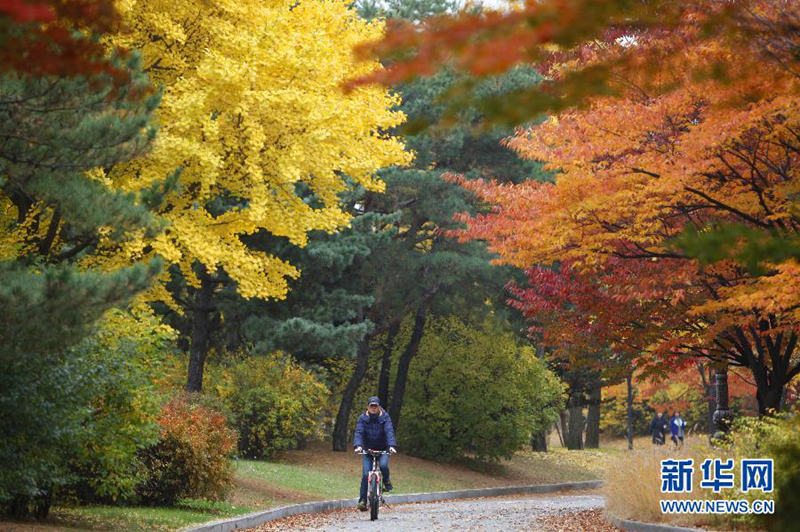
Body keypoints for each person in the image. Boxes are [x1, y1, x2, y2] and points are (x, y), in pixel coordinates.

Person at [353, 396, 397, 511]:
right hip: (368, 450)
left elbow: (389, 431)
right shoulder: (362, 418)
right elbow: (359, 432)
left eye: (375, 406)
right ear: (368, 407)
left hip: (383, 449)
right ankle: (362, 501)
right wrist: (358, 446)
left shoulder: (385, 417)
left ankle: (386, 481)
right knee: (365, 475)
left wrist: (391, 446)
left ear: (379, 407)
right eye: (371, 406)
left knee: (383, 465)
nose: (373, 408)